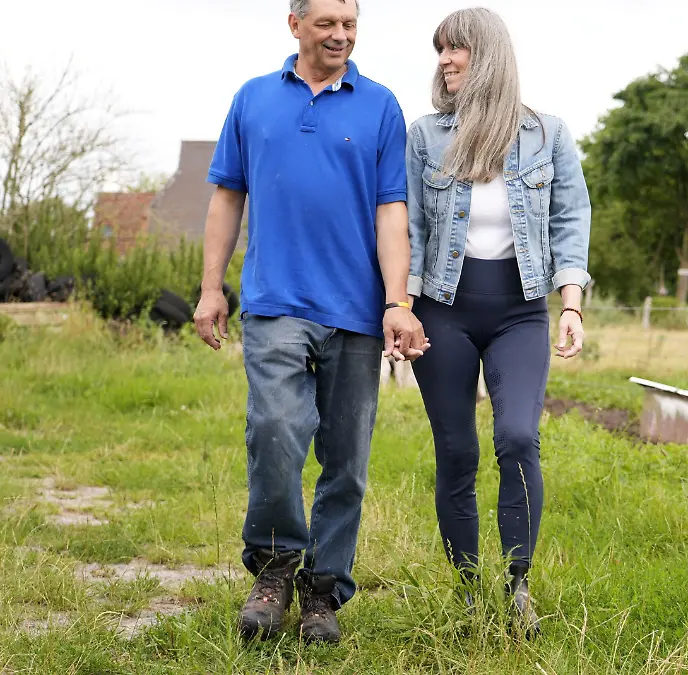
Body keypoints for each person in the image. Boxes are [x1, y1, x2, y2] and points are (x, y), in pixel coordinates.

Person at [193, 0, 427, 644]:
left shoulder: (380, 106)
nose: (340, 35)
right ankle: (272, 569)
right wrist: (213, 288)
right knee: (274, 429)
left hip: (355, 310)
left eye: (350, 25)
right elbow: (226, 196)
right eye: (327, 23)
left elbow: (391, 212)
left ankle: (323, 590)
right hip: (274, 302)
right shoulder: (253, 98)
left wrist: (398, 301)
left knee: (346, 457)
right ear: (294, 25)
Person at [405, 7, 592, 637]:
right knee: (457, 450)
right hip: (443, 310)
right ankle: (465, 591)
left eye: (455, 50)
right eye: (440, 52)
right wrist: (399, 307)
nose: (444, 61)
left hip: (519, 312)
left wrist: (570, 305)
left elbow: (570, 221)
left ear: (487, 56)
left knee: (517, 437)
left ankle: (517, 586)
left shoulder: (548, 135)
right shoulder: (426, 136)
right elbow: (410, 228)